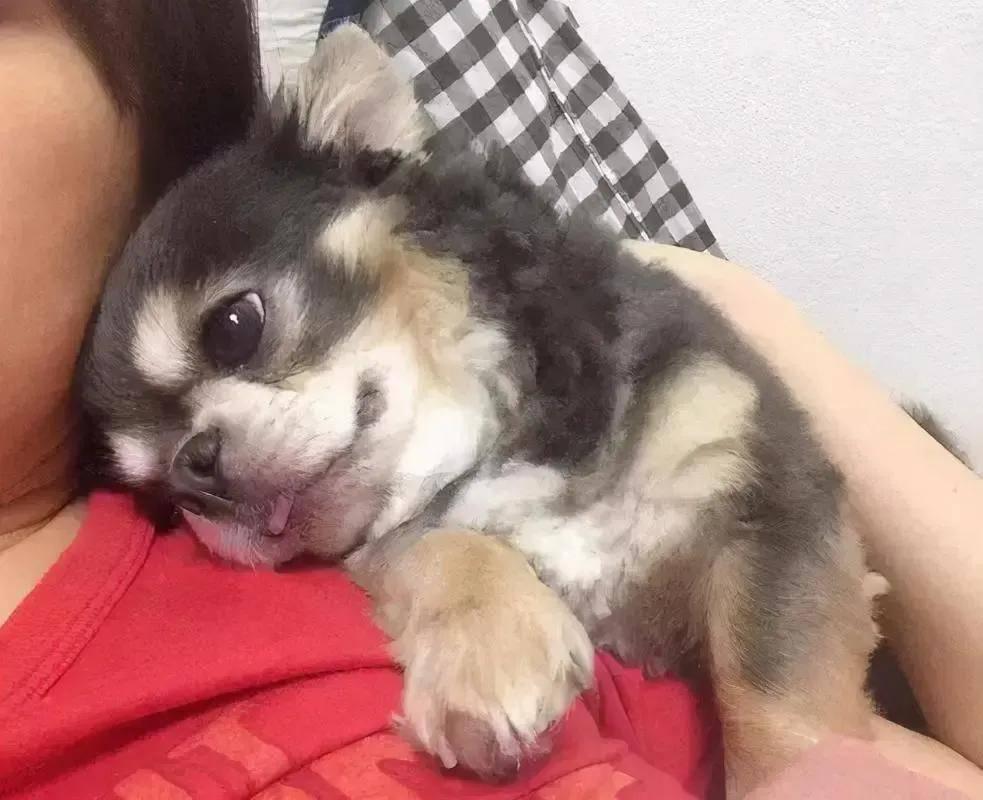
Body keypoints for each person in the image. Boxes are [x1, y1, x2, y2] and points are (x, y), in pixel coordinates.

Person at [0, 1, 981, 797]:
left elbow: (788, 534)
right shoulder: (321, 564)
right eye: (175, 481)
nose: (206, 468)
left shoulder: (642, 360)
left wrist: (747, 310)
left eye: (235, 331)